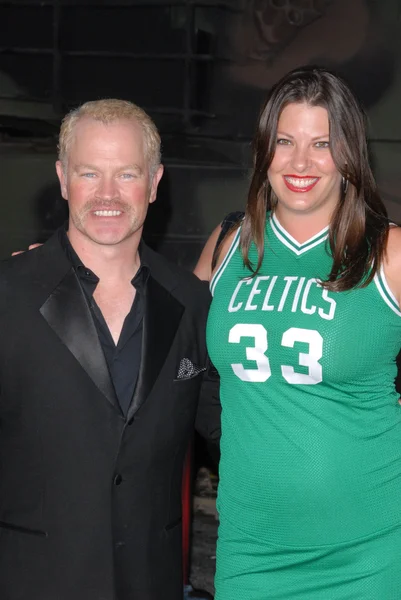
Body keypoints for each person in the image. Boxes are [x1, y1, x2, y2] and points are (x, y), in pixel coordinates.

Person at [0, 99, 220, 600]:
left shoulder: (192, 303)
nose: (107, 195)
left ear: (156, 181)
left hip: (152, 583)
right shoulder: (8, 293)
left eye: (126, 174)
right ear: (61, 178)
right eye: (89, 173)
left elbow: (238, 425)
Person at [194, 66, 401, 599]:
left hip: (368, 553)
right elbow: (160, 325)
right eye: (285, 141)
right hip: (249, 548)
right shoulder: (229, 245)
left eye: (322, 144)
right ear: (264, 151)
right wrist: (64, 275)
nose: (301, 162)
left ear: (349, 156)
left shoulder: (388, 252)